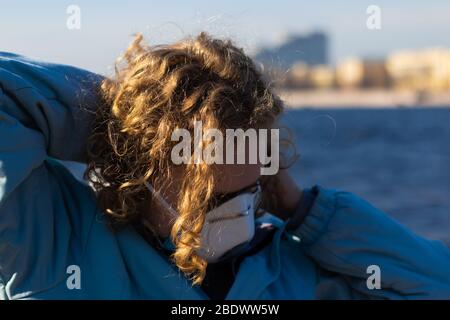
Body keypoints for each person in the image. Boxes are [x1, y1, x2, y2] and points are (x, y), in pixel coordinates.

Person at [0, 33, 449, 300]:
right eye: (212, 197)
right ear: (142, 169)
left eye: (251, 190)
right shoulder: (57, 244)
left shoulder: (292, 270)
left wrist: (306, 212)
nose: (239, 214)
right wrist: (125, 121)